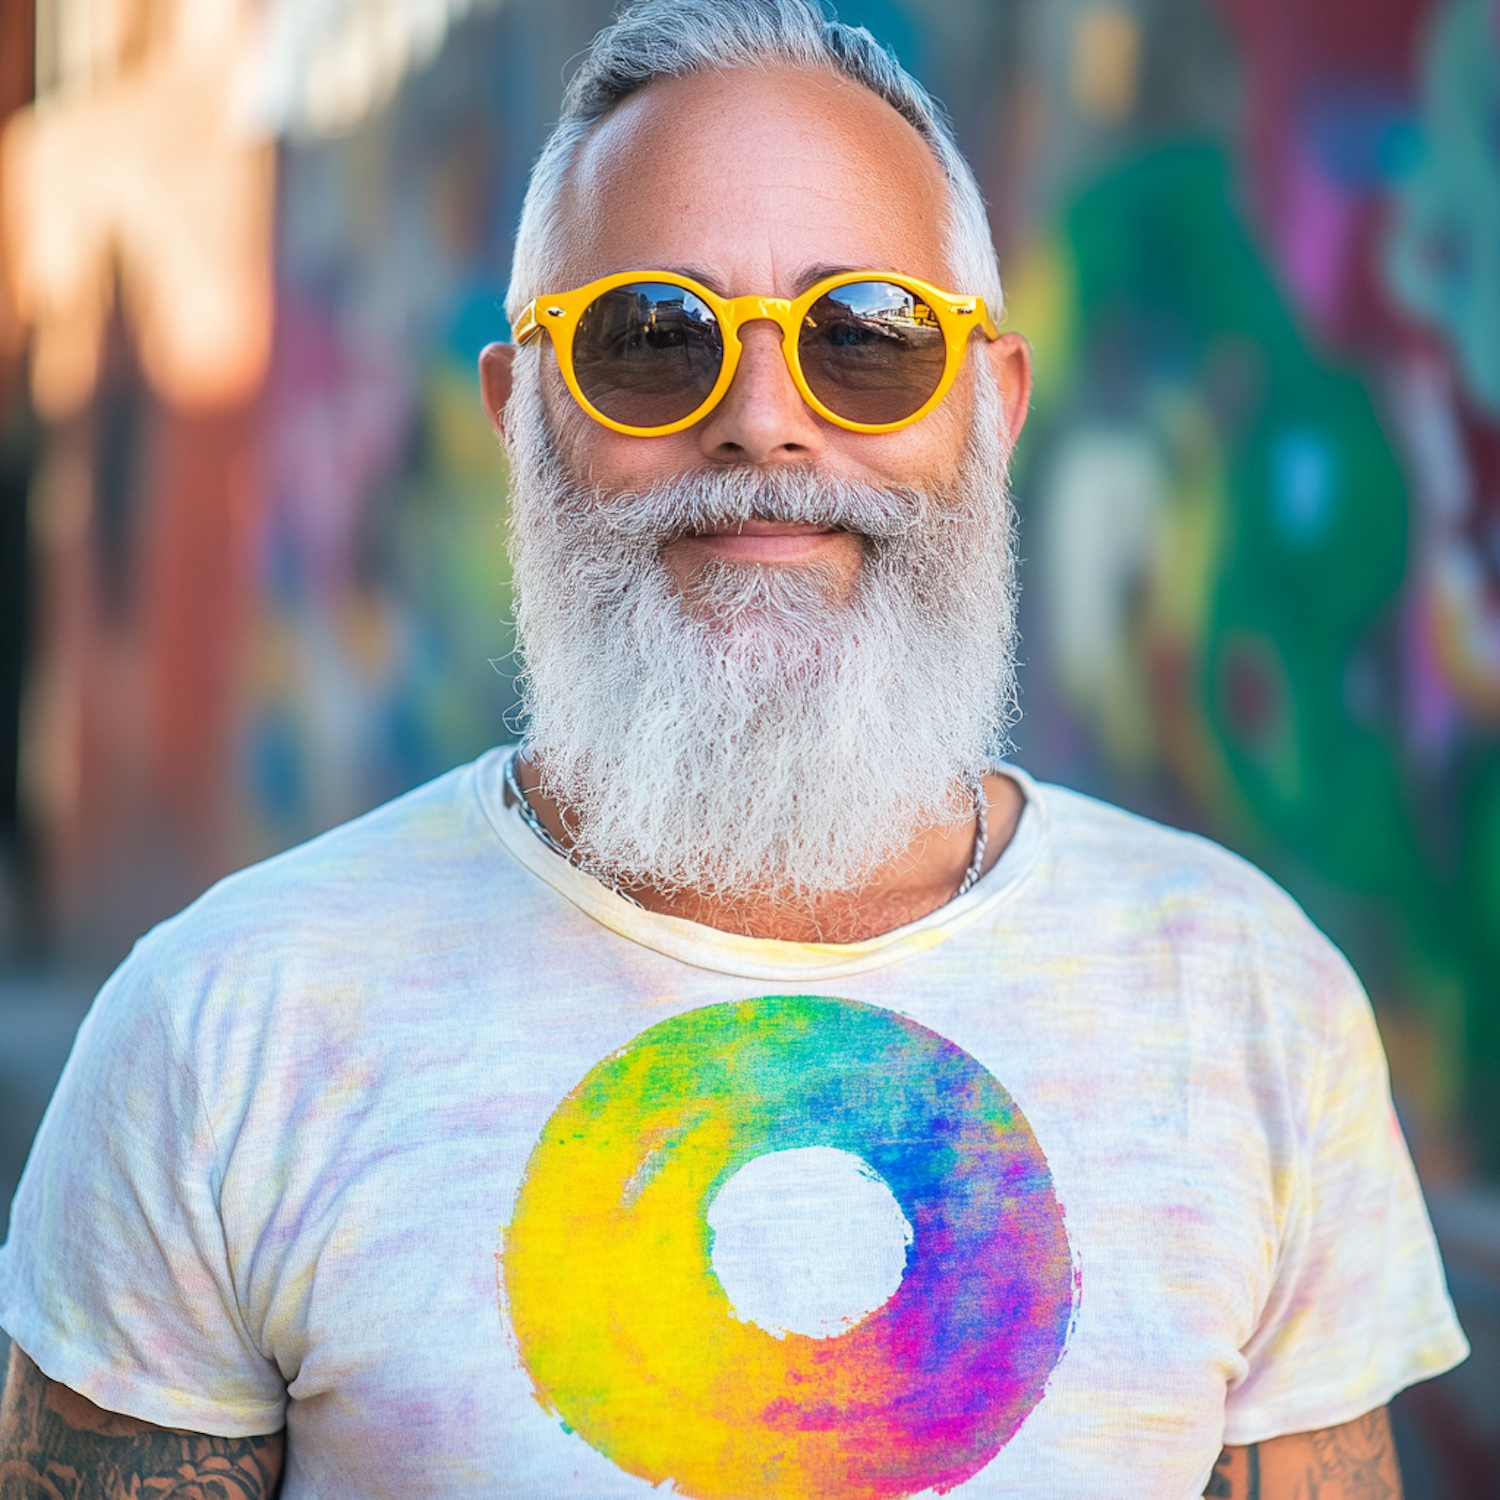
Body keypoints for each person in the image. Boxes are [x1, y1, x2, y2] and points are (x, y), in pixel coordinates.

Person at [0, 2, 1469, 1496]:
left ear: (991, 409)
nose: (766, 423)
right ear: (521, 415)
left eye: (868, 340)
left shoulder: (1249, 1001)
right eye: (652, 342)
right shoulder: (225, 1025)